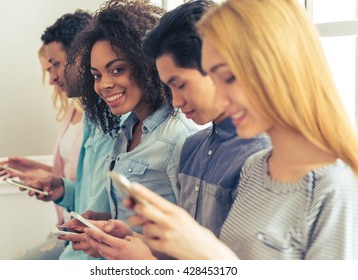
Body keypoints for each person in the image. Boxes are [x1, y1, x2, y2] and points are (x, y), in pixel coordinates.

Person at [123, 0, 358, 260]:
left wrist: (205, 254)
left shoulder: (337, 187)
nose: (221, 99)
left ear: (278, 65)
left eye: (229, 77)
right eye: (214, 78)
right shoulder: (256, 168)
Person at [83, 0, 269, 260]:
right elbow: (185, 248)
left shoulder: (259, 158)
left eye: (180, 85)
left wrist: (146, 262)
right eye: (96, 75)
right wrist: (129, 237)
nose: (176, 101)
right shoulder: (194, 146)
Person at [58, 0, 199, 257]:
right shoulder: (126, 132)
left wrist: (113, 245)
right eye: (97, 75)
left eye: (117, 69)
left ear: (146, 65)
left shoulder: (180, 137)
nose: (104, 85)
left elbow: (193, 245)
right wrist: (104, 223)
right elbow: (137, 221)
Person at [0, 11, 92, 259]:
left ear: (79, 57)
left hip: (82, 230)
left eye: (55, 65)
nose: (51, 79)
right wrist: (36, 169)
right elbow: (76, 172)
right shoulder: (73, 111)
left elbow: (92, 191)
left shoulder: (102, 120)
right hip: (68, 222)